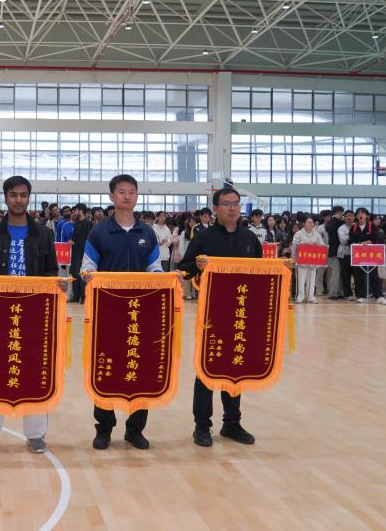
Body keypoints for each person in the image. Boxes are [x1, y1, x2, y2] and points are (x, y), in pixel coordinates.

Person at [0, 176, 59, 455]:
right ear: (5, 197)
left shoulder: (42, 233)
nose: (18, 200)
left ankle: (36, 434)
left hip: (33, 313)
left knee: (34, 370)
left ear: (29, 198)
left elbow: (50, 271)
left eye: (23, 195)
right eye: (13, 195)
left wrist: (53, 289)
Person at [80, 175, 166, 451]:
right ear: (111, 197)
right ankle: (104, 428)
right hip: (108, 312)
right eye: (121, 192)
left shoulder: (147, 233)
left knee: (141, 368)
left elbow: (155, 269)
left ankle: (135, 429)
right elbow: (87, 267)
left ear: (137, 196)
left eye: (132, 192)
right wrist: (89, 276)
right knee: (105, 367)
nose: (127, 196)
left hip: (142, 314)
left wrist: (166, 280)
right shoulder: (99, 232)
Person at [178, 188, 259, 448]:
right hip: (211, 315)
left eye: (236, 203)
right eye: (226, 204)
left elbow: (260, 273)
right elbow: (183, 270)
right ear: (215, 208)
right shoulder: (204, 238)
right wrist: (196, 266)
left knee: (235, 367)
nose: (232, 208)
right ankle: (202, 425)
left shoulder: (250, 238)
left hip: (240, 313)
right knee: (207, 368)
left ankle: (232, 423)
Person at [348, 208, 386, 305]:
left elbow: (375, 239)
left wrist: (367, 242)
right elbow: (351, 241)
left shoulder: (372, 226)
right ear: (356, 216)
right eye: (358, 213)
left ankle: (379, 296)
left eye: (363, 213)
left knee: (374, 275)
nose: (360, 215)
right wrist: (356, 244)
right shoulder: (353, 228)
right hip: (358, 254)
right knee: (358, 275)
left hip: (370, 254)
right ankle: (361, 296)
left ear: (367, 216)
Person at [291, 216, 326, 303]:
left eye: (312, 223)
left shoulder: (316, 234)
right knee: (301, 280)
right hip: (301, 261)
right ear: (304, 224)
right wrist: (304, 244)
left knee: (311, 280)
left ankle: (311, 297)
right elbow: (294, 245)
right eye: (309, 222)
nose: (311, 224)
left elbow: (322, 245)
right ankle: (300, 297)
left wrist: (317, 245)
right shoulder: (299, 233)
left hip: (312, 261)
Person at [69, 204, 93, 303]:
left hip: (83, 252)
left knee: (82, 274)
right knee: (74, 274)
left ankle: (84, 296)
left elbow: (90, 239)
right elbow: (74, 237)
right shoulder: (77, 223)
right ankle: (76, 296)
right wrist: (71, 240)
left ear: (80, 210)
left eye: (76, 211)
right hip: (75, 252)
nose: (74, 213)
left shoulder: (88, 223)